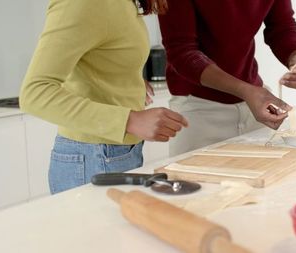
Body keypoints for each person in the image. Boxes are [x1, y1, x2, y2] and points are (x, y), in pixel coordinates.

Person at [19, 0, 188, 194]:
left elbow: (104, 51)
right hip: (94, 157)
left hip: (116, 152)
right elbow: (34, 92)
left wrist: (127, 77)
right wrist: (129, 120)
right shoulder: (83, 3)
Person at [158, 0, 296, 156]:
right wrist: (246, 91)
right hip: (198, 109)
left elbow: (282, 26)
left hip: (253, 106)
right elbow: (182, 52)